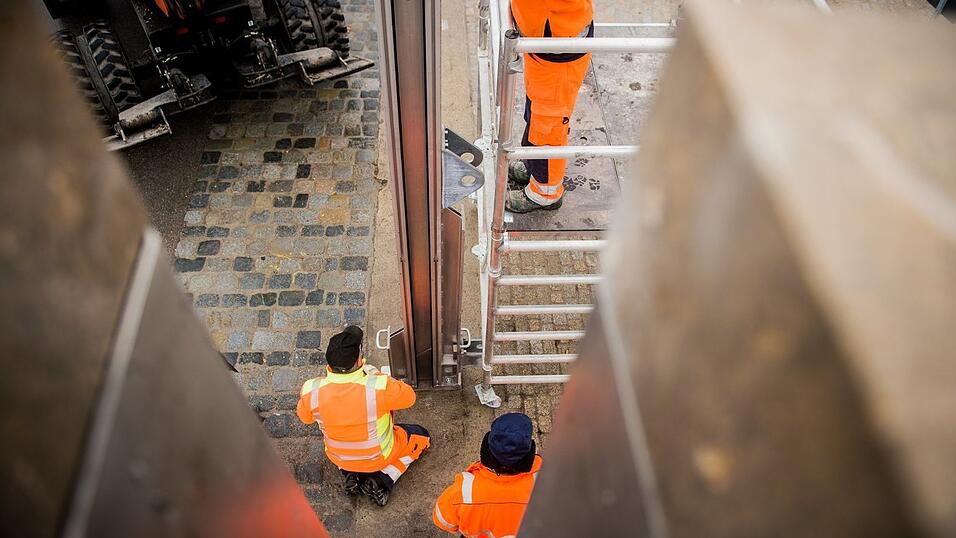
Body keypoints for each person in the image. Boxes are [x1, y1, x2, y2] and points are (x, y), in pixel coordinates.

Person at [296, 326, 430, 506]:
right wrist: (377, 375)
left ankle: (351, 474)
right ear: (359, 360)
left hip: (339, 458)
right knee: (421, 436)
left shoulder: (310, 390)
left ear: (329, 364)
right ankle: (383, 480)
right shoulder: (378, 387)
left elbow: (306, 418)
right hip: (379, 457)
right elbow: (409, 397)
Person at [506, 0, 594, 214]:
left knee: (547, 127)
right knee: (535, 114)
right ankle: (532, 166)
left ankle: (544, 193)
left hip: (556, 45)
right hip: (541, 38)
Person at [432, 413, 543, 536]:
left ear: (487, 452)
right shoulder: (548, 485)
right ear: (528, 455)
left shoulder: (462, 493)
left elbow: (442, 520)